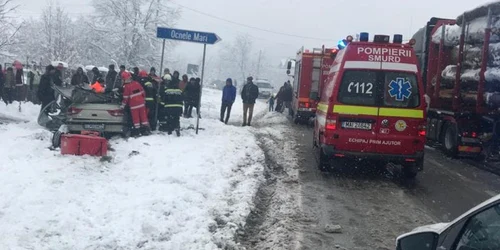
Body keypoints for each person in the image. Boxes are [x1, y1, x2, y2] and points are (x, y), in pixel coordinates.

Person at [121, 71, 151, 136]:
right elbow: (143, 92)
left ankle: (137, 132)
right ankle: (145, 130)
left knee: (136, 119)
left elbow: (125, 97)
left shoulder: (127, 87)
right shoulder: (137, 83)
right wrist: (143, 100)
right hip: (141, 103)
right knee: (143, 117)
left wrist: (122, 106)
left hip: (133, 105)